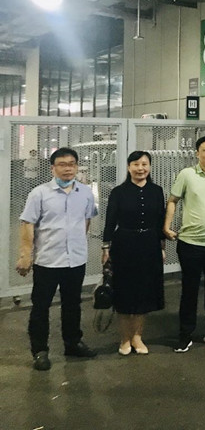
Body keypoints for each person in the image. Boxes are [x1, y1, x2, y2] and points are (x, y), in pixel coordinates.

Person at [16, 147, 98, 371]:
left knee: (73, 304)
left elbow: (87, 220)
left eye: (72, 164)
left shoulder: (85, 193)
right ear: (52, 168)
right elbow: (27, 224)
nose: (67, 169)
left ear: (77, 166)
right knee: (41, 306)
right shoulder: (39, 194)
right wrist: (26, 255)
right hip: (48, 261)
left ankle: (72, 343)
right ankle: (40, 351)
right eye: (62, 164)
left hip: (75, 260)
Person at [163, 134, 205, 353]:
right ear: (197, 153)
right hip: (190, 244)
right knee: (189, 291)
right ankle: (185, 335)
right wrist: (166, 226)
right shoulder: (187, 175)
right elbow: (173, 200)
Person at [102, 151, 166, 355]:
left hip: (149, 245)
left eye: (144, 164)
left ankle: (137, 337)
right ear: (129, 167)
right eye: (136, 164)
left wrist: (162, 247)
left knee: (144, 292)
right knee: (124, 292)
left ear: (150, 167)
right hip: (124, 245)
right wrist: (106, 248)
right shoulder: (118, 192)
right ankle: (124, 338)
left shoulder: (157, 191)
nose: (140, 168)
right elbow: (110, 221)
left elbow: (160, 220)